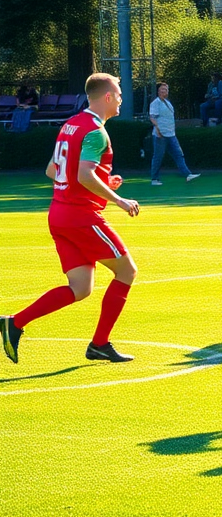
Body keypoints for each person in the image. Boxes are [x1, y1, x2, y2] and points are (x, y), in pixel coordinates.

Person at [1, 73, 141, 365]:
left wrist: (104, 181)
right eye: (118, 94)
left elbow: (53, 171)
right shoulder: (96, 131)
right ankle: (100, 344)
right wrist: (118, 200)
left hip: (59, 214)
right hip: (81, 216)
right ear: (107, 97)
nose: (120, 99)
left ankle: (14, 323)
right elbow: (84, 175)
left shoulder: (70, 124)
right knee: (127, 272)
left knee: (80, 288)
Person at [148, 82, 201, 186]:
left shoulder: (167, 103)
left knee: (178, 154)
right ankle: (154, 179)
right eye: (163, 89)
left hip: (171, 134)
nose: (165, 91)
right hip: (161, 135)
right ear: (158, 91)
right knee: (158, 157)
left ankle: (187, 174)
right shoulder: (156, 103)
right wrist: (157, 129)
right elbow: (152, 117)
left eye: (166, 89)